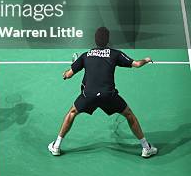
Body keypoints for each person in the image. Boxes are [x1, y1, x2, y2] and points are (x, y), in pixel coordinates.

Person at [48, 27, 157, 158]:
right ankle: (146, 148)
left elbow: (68, 75)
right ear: (108, 40)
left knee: (72, 113)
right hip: (108, 95)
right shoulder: (115, 54)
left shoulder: (85, 55)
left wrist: (65, 74)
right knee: (129, 115)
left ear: (95, 40)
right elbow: (137, 64)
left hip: (88, 95)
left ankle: (56, 146)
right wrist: (146, 59)